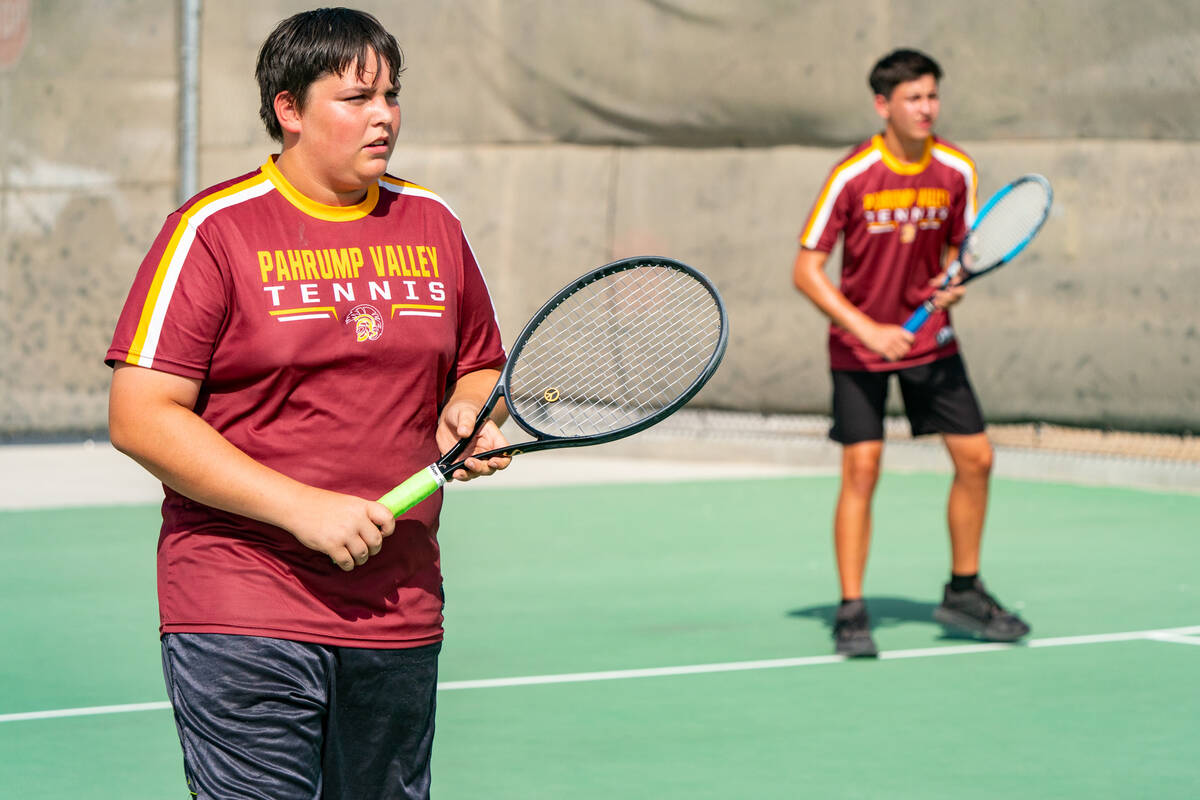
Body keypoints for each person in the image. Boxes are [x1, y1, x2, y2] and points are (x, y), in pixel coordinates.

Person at [106, 8, 510, 798]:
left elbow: (481, 365)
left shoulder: (432, 220)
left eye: (391, 95)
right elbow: (140, 414)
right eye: (356, 98)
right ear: (289, 109)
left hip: (399, 610)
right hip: (242, 603)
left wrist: (471, 413)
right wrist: (302, 507)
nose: (384, 116)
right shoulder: (212, 231)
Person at [792, 48, 1030, 658]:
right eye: (913, 98)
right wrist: (867, 329)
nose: (927, 108)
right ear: (883, 105)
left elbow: (964, 254)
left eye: (932, 96)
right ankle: (851, 610)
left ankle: (965, 590)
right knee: (863, 469)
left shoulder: (956, 169)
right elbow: (807, 270)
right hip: (860, 348)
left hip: (931, 342)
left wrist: (954, 285)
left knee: (976, 458)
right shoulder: (852, 174)